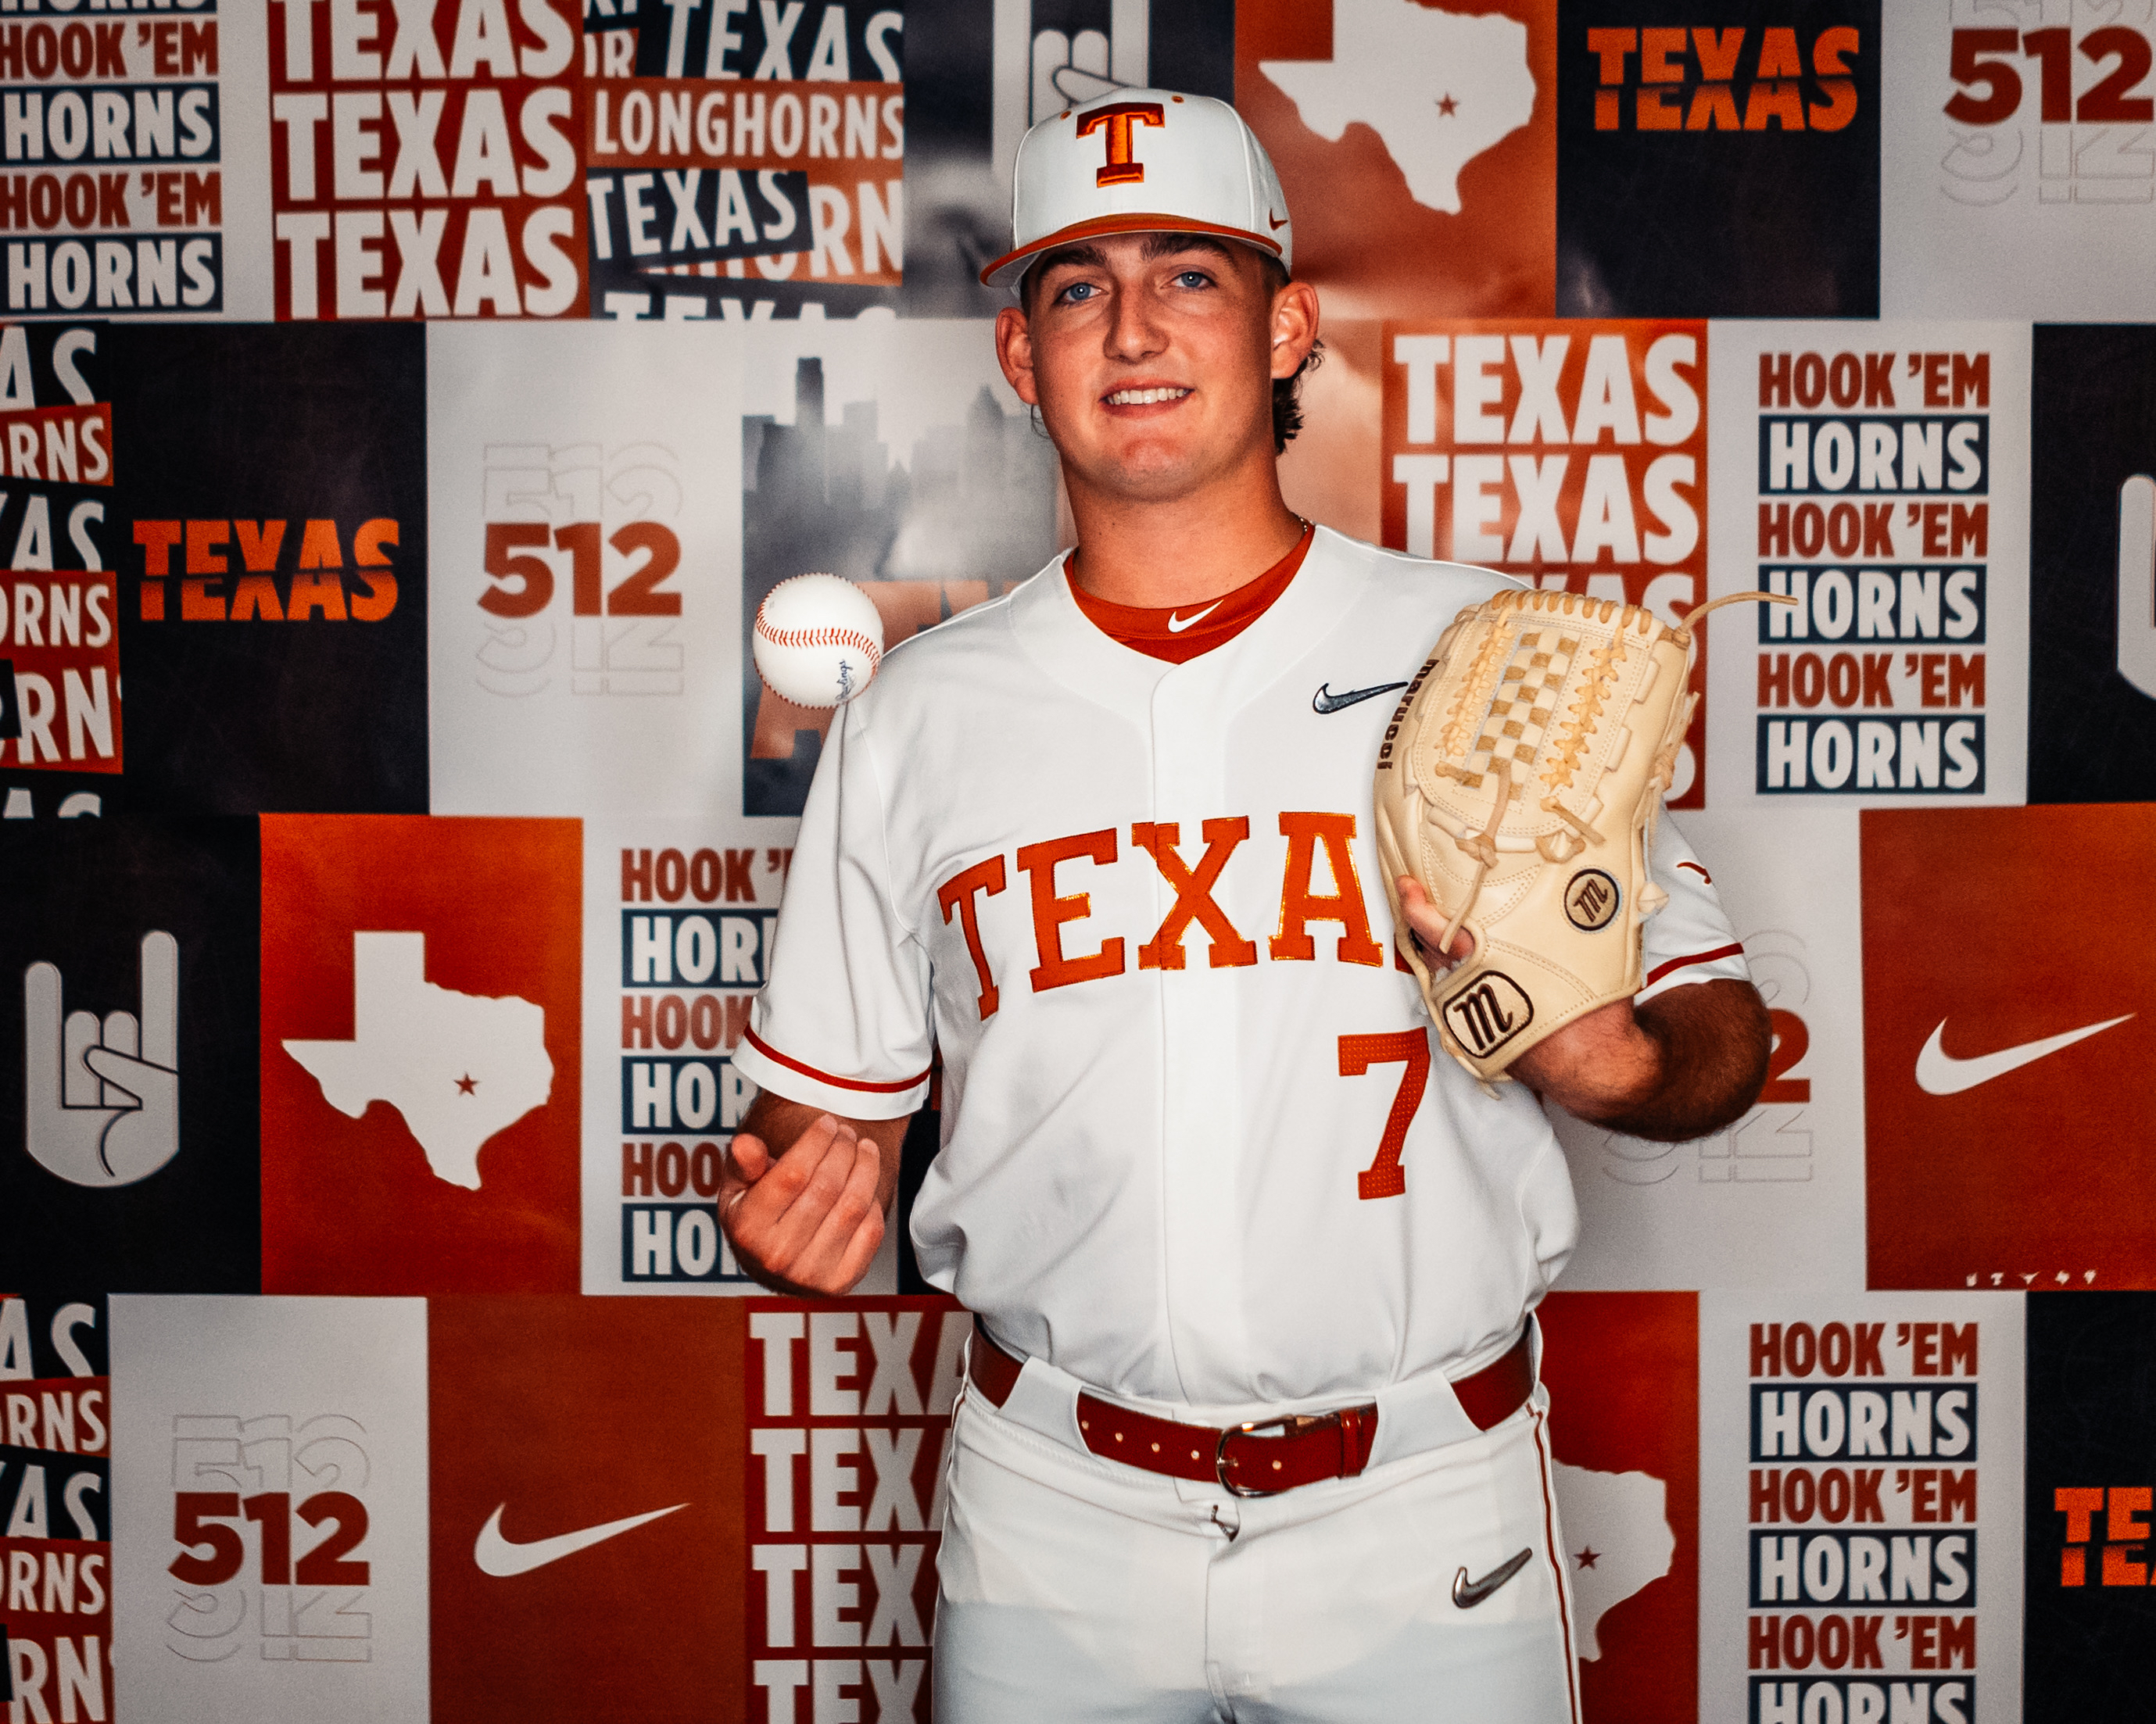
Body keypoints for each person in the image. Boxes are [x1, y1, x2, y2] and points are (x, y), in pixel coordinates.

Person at [724, 88, 1770, 1723]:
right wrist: (797, 1218)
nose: (1130, 326)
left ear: (1285, 326)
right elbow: (815, 1140)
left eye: (1188, 276)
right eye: (1075, 287)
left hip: (1420, 1498)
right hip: (1051, 1510)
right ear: (1018, 358)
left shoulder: (1489, 649)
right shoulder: (913, 717)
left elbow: (1718, 1026)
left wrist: (1619, 1068)